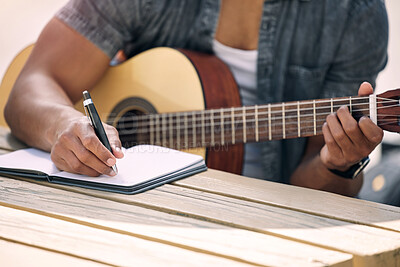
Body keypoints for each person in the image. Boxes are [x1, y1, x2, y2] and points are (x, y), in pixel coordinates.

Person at [4, 0, 388, 197]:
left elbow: (317, 189)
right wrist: (66, 127)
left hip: (262, 216)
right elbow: (29, 87)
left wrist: (339, 165)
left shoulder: (354, 12)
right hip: (128, 203)